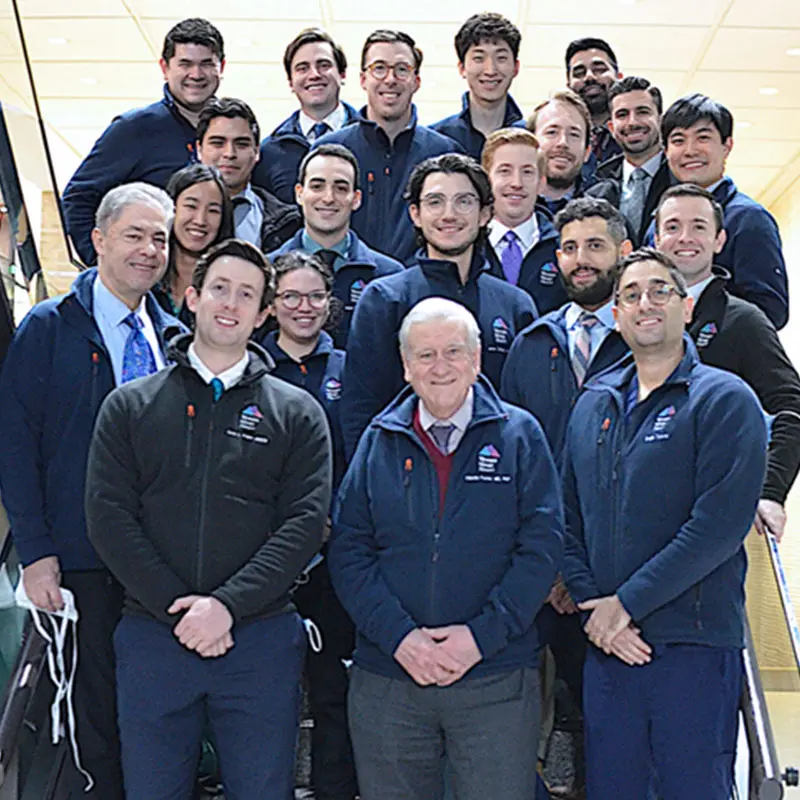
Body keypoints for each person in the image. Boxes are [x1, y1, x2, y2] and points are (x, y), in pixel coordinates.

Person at [85, 239, 331, 800]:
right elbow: (108, 517)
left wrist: (226, 606)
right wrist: (179, 609)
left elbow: (304, 523)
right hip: (153, 634)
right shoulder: (130, 405)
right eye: (219, 288)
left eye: (248, 294)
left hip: (260, 639)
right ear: (191, 298)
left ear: (264, 313)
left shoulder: (297, 413)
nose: (231, 303)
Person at [329, 297, 563, 800]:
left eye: (453, 351)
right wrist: (400, 638)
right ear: (406, 367)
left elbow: (541, 549)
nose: (440, 367)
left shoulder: (521, 436)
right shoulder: (378, 440)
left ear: (477, 359)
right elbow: (349, 550)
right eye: (425, 355)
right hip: (391, 677)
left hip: (494, 676)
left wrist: (480, 637)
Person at [561, 248, 767, 800]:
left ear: (687, 305)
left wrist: (624, 604)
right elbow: (566, 515)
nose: (645, 304)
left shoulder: (725, 400)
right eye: (630, 295)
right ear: (616, 313)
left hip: (692, 645)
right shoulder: (593, 403)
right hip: (607, 643)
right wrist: (595, 606)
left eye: (659, 291)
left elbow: (717, 526)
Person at [0, 183, 181, 799]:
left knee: (154, 711)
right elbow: (17, 444)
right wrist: (37, 552)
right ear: (99, 240)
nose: (149, 250)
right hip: (81, 559)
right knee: (93, 719)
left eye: (160, 237)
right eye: (135, 235)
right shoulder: (49, 329)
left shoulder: (175, 337)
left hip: (161, 562)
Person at [340, 153, 536, 457]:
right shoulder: (385, 300)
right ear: (415, 214)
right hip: (403, 476)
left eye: (464, 201)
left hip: (494, 475)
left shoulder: (515, 305)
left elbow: (525, 409)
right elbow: (360, 408)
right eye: (435, 202)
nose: (449, 214)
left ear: (485, 214)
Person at [258, 251, 356, 800]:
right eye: (290, 296)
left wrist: (329, 521)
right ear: (271, 305)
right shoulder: (252, 366)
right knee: (266, 697)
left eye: (315, 296)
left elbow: (360, 452)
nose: (303, 307)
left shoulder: (348, 367)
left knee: (333, 693)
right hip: (265, 557)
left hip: (334, 555)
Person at [655, 183, 800, 543]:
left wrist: (770, 492)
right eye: (672, 227)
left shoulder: (743, 321)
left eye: (699, 227)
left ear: (719, 241)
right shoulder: (632, 320)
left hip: (714, 521)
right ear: (656, 239)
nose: (684, 237)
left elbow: (791, 407)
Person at [63, 18, 224, 266]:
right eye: (185, 64)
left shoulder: (230, 132)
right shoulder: (135, 128)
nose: (196, 74)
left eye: (206, 64)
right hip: (147, 282)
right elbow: (79, 197)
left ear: (221, 67)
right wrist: (103, 267)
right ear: (165, 67)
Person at [314, 29, 463, 264]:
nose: (390, 79)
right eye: (379, 68)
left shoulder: (444, 153)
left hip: (422, 288)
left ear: (416, 82)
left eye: (402, 69)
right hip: (345, 284)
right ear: (363, 79)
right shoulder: (328, 151)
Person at [660, 93, 788, 329]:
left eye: (703, 138)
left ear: (727, 146)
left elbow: (771, 310)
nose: (689, 150)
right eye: (678, 140)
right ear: (666, 151)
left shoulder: (749, 219)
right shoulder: (659, 220)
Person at [268, 143, 403, 349]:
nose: (328, 198)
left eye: (340, 188)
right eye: (317, 186)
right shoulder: (267, 270)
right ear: (299, 193)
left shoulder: (389, 276)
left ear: (356, 199)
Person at [253, 28, 359, 204]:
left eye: (324, 65)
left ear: (342, 74)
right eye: (302, 68)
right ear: (291, 82)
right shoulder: (270, 152)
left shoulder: (371, 139)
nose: (314, 75)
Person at [197, 97, 301, 252]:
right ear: (199, 149)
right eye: (218, 143)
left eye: (242, 144)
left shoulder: (287, 223)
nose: (229, 154)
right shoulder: (170, 214)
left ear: (257, 151)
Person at [481, 128, 564, 314]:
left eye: (527, 172)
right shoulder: (468, 246)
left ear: (541, 183)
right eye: (504, 171)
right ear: (487, 180)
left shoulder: (562, 245)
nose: (516, 183)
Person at [586, 77, 670, 246]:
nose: (632, 122)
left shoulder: (682, 180)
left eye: (643, 112)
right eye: (622, 115)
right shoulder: (595, 191)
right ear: (611, 127)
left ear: (661, 120)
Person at [431, 13, 524, 160]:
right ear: (462, 68)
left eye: (501, 58)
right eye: (478, 58)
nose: (490, 70)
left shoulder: (532, 137)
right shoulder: (436, 140)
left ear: (515, 67)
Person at [152, 163, 235, 326]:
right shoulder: (146, 272)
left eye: (213, 211)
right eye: (191, 206)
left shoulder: (230, 287)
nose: (200, 220)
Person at [528, 90, 593, 218]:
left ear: (587, 152)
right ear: (530, 144)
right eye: (552, 132)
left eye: (574, 134)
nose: (563, 143)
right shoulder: (504, 207)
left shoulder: (604, 211)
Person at [565, 37, 623, 177]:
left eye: (599, 69)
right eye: (579, 73)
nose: (589, 77)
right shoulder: (560, 137)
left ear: (619, 77)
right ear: (569, 85)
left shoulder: (636, 132)